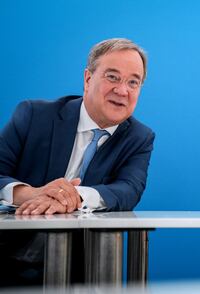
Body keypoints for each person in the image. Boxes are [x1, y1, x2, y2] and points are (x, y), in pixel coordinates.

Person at [0, 38, 155, 285]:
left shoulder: (139, 137)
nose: (122, 90)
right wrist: (30, 194)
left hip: (82, 267)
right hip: (7, 254)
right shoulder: (33, 115)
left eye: (133, 82)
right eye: (112, 77)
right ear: (88, 79)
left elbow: (129, 189)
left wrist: (76, 197)